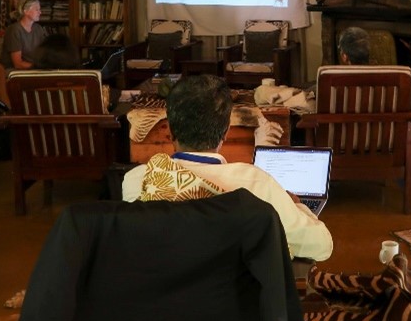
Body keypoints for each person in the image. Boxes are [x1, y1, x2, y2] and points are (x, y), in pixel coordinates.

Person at [122, 74, 332, 261]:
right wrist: (297, 206)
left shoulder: (138, 181)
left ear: (170, 131)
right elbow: (321, 247)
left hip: (165, 291)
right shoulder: (256, 185)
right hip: (234, 292)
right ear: (225, 132)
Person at [0, 0, 47, 70]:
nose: (40, 12)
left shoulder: (38, 28)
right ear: (26, 11)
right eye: (37, 9)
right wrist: (40, 68)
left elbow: (44, 52)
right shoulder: (14, 30)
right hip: (15, 71)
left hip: (33, 68)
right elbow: (18, 64)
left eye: (39, 9)